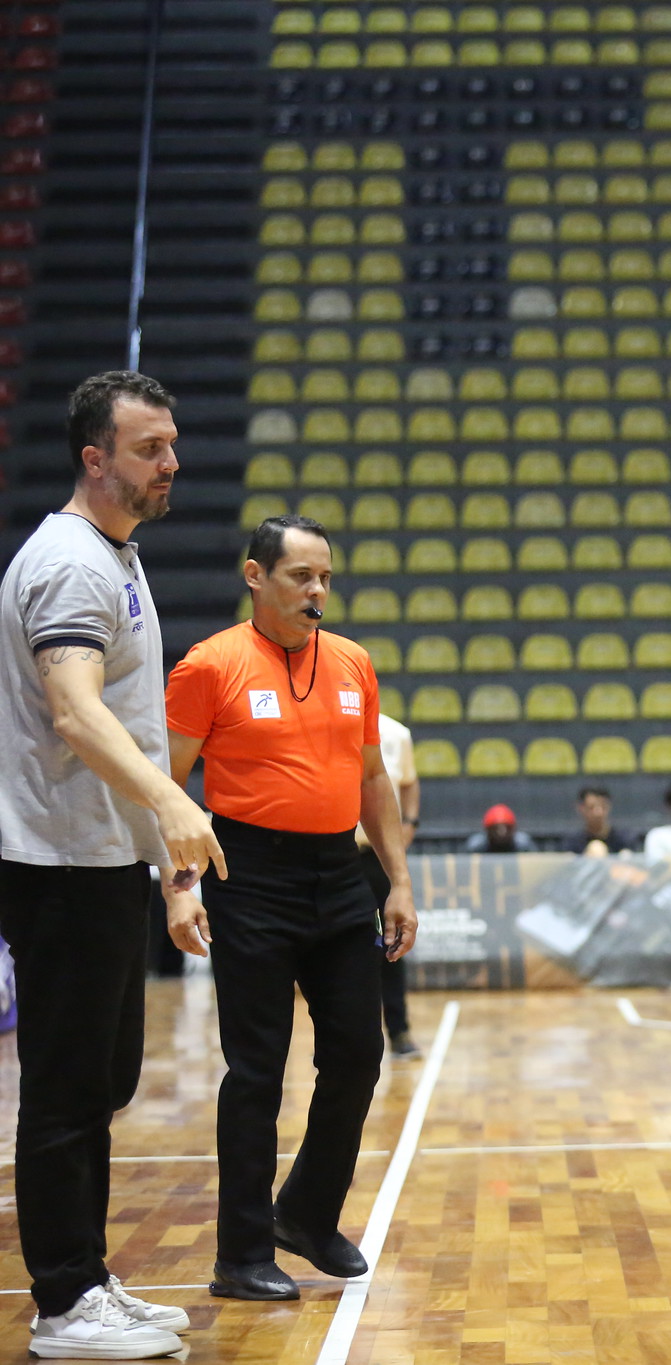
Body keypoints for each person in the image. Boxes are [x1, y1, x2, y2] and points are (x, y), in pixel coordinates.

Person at [0, 371, 214, 1359]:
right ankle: (61, 1308)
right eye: (148, 448)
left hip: (99, 861)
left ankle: (85, 1280)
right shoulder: (74, 566)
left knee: (97, 1085)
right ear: (95, 458)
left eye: (171, 445)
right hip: (56, 862)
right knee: (63, 1087)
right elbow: (77, 711)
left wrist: (163, 873)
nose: (169, 464)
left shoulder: (112, 556)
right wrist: (172, 804)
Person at [161, 514, 418, 1304]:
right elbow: (164, 786)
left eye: (325, 578)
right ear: (254, 576)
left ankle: (305, 1212)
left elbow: (374, 779)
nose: (317, 592)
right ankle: (240, 1253)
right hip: (250, 874)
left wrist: (398, 879)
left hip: (340, 875)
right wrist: (177, 886)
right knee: (256, 1071)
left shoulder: (353, 663)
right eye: (301, 576)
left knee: (357, 1054)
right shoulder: (210, 666)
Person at [356, 712, 419, 1059]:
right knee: (336, 947)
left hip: (377, 858)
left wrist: (409, 822)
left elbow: (408, 781)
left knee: (390, 940)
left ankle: (399, 1030)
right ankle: (340, 1039)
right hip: (335, 856)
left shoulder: (396, 734)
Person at [575, 785, 636, 855]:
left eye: (603, 806)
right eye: (591, 807)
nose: (598, 812)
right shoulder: (573, 844)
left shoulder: (624, 840)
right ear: (581, 808)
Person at [465, 803, 535, 854]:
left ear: (513, 829)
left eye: (507, 828)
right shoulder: (476, 847)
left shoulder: (524, 846)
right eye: (495, 829)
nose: (502, 832)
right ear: (488, 830)